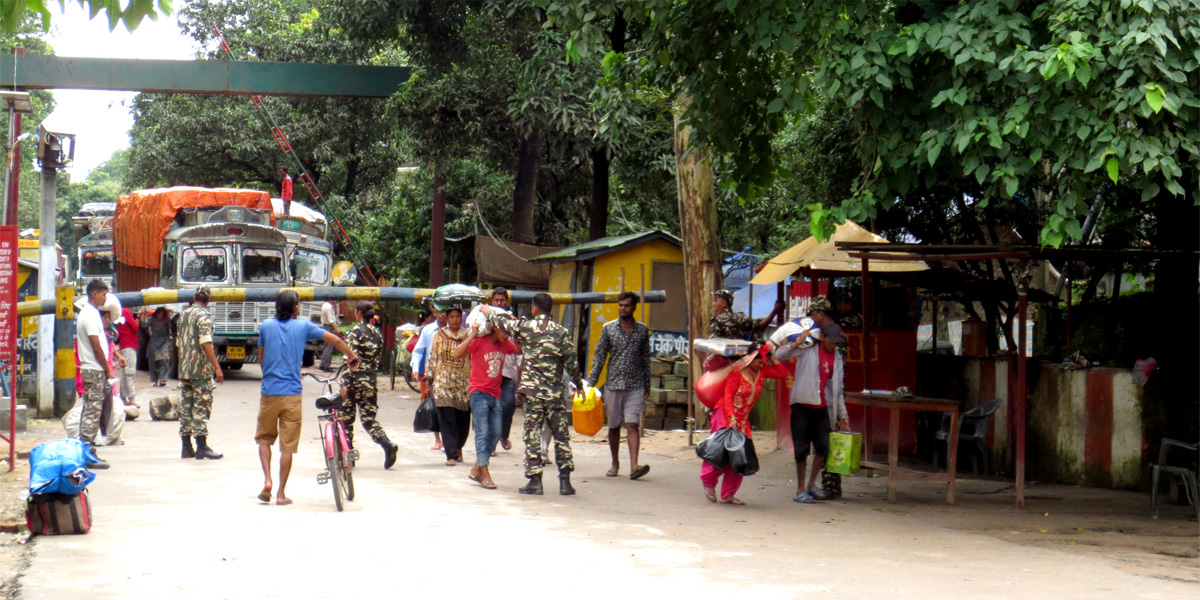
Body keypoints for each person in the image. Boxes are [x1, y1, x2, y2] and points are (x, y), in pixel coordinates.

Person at [256, 290, 359, 506]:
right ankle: (281, 494)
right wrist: (351, 356)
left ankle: (267, 480)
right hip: (292, 394)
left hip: (269, 392)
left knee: (264, 439)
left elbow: (261, 359)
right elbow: (334, 339)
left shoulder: (266, 326)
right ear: (295, 308)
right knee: (287, 447)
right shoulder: (303, 327)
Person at [483, 293, 582, 496]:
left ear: (534, 308)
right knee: (561, 435)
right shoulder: (561, 332)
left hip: (533, 394)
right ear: (551, 310)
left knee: (532, 435)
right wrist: (578, 384)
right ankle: (565, 482)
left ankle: (535, 480)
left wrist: (488, 311)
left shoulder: (526, 327)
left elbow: (502, 323)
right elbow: (572, 362)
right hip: (554, 393)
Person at [773, 296, 850, 504]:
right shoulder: (808, 349)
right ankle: (799, 489)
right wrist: (795, 343)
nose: (834, 346)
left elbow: (838, 389)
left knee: (823, 448)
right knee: (801, 449)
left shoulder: (837, 358)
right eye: (832, 342)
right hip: (802, 405)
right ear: (823, 338)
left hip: (822, 406)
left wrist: (843, 415)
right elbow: (778, 355)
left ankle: (810, 485)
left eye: (837, 343)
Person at [700, 343, 789, 505]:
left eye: (764, 362)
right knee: (721, 452)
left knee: (740, 455)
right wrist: (732, 418)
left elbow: (782, 373)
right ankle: (709, 483)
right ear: (750, 359)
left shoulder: (761, 371)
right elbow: (728, 397)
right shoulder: (737, 372)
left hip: (742, 418)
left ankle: (728, 493)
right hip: (725, 414)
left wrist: (773, 357)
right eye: (759, 361)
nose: (762, 365)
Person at [587, 291, 652, 480]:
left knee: (632, 424)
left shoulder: (642, 330)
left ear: (634, 307)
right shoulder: (608, 329)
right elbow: (600, 357)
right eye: (621, 305)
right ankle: (615, 463)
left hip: (635, 385)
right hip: (613, 385)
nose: (623, 308)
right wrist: (591, 385)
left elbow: (645, 359)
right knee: (614, 425)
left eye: (627, 305)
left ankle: (634, 467)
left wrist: (647, 383)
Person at [452, 317, 519, 489]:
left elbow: (519, 350)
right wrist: (473, 333)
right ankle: (485, 473)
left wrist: (518, 328)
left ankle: (476, 468)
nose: (506, 335)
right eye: (503, 330)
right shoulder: (479, 341)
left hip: (495, 395)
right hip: (478, 393)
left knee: (496, 433)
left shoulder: (505, 344)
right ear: (494, 327)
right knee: (482, 433)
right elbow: (457, 353)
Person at [339, 301, 399, 469]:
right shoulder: (377, 334)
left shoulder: (354, 332)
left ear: (358, 313)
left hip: (353, 380)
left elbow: (350, 360)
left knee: (346, 420)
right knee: (368, 420)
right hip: (370, 381)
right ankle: (387, 443)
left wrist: (344, 383)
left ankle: (349, 456)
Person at [176, 286, 225, 460]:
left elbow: (178, 342)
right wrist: (217, 367)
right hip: (201, 368)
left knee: (187, 405)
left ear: (195, 296)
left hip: (185, 367)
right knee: (201, 405)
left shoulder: (183, 315)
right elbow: (206, 343)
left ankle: (186, 446)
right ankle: (202, 446)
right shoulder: (203, 317)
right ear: (209, 300)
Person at [425, 307, 471, 466]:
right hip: (443, 383)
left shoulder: (469, 335)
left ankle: (458, 448)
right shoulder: (439, 334)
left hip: (463, 384)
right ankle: (450, 454)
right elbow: (433, 357)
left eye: (458, 316)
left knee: (463, 420)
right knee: (447, 419)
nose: (455, 320)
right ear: (447, 318)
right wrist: (428, 379)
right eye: (452, 317)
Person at [75, 279, 113, 470]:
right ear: (94, 294)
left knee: (91, 408)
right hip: (94, 368)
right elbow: (96, 346)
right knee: (93, 411)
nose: (105, 297)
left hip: (93, 367)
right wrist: (107, 369)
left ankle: (87, 450)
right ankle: (87, 452)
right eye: (103, 294)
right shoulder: (89, 315)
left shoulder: (91, 314)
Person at [489, 288, 522, 452]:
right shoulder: (486, 321)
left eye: (502, 301)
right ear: (492, 302)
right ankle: (493, 443)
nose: (499, 303)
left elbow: (518, 349)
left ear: (507, 302)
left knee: (508, 405)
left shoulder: (513, 323)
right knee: (494, 407)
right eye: (496, 300)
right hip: (491, 371)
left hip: (508, 372)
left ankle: (503, 435)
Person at [410, 308, 445, 450]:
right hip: (430, 373)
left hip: (448, 372)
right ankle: (437, 438)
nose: (443, 314)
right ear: (434, 313)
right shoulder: (428, 330)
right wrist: (415, 368)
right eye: (439, 311)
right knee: (432, 404)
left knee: (447, 406)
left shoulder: (455, 330)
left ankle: (447, 438)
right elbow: (418, 350)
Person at [708, 289, 783, 341]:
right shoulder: (740, 317)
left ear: (724, 304)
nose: (713, 304)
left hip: (723, 359)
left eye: (716, 301)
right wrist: (774, 311)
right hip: (740, 358)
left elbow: (714, 342)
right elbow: (760, 328)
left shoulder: (717, 320)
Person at [114, 306, 139, 407]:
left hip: (123, 344)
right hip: (130, 344)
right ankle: (131, 398)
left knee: (124, 373)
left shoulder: (118, 313)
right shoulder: (126, 311)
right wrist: (138, 318)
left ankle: (124, 398)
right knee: (130, 373)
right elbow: (135, 327)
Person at [143, 307, 173, 387]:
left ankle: (162, 379)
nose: (160, 316)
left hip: (164, 342)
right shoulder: (152, 320)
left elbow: (172, 327)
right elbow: (144, 325)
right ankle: (155, 380)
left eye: (162, 314)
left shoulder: (167, 320)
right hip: (154, 342)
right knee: (153, 362)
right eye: (159, 314)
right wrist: (142, 316)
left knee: (164, 360)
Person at [319, 300, 340, 371]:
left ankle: (322, 364)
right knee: (329, 347)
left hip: (325, 326)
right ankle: (326, 366)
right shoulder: (328, 307)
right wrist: (336, 329)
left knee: (326, 346)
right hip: (328, 327)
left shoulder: (325, 305)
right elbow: (331, 321)